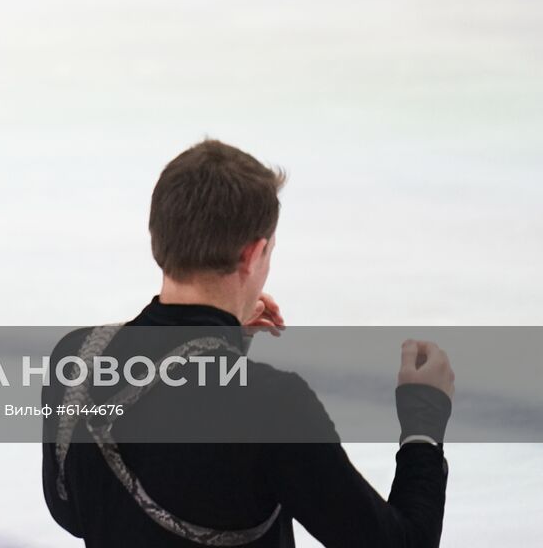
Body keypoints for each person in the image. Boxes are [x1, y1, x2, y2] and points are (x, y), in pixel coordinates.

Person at [41, 139, 454, 546]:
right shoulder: (270, 404)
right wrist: (423, 422)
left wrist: (225, 341)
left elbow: (77, 513)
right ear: (252, 253)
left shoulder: (77, 357)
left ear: (157, 236)